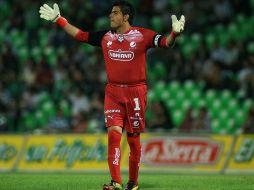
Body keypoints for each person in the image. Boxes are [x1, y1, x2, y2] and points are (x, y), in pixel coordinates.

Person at [39, 1, 185, 190]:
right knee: (113, 135)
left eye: (115, 13)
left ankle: (133, 183)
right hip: (113, 92)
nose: (110, 16)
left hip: (136, 92)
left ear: (126, 17)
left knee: (133, 139)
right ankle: (116, 181)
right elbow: (80, 35)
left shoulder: (142, 35)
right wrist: (59, 20)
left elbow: (165, 43)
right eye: (111, 12)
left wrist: (174, 34)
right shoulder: (105, 36)